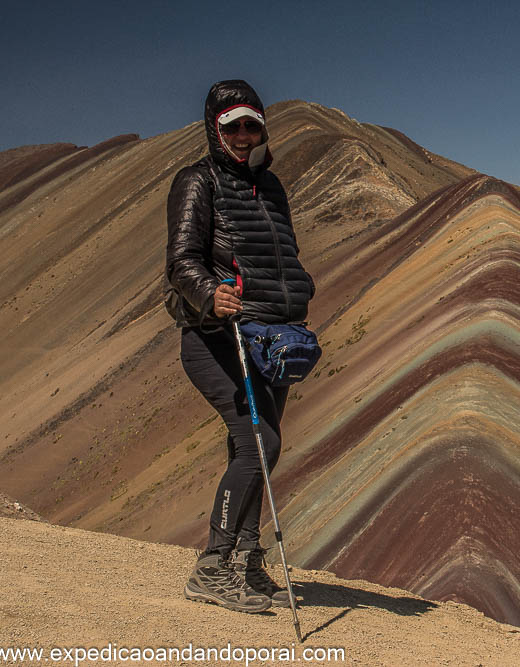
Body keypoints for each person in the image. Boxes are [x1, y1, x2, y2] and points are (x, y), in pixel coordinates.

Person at [165, 80, 315, 613]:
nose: (244, 136)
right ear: (214, 128)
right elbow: (181, 261)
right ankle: (212, 566)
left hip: (271, 338)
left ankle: (249, 563)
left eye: (252, 126)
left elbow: (283, 253)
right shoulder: (196, 182)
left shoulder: (271, 186)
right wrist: (211, 296)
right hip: (216, 336)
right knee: (259, 444)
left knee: (256, 447)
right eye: (233, 126)